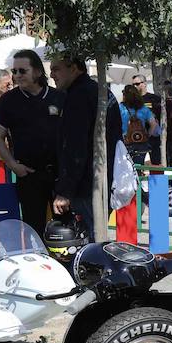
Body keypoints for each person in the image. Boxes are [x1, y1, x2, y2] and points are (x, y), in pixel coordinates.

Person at [50, 51, 121, 235]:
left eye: (56, 69)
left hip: (86, 185)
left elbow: (76, 147)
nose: (52, 75)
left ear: (74, 68)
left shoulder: (79, 96)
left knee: (86, 245)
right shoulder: (100, 91)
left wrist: (65, 191)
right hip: (103, 179)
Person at [0, 49, 64, 226]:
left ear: (38, 72)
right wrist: (13, 165)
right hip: (29, 175)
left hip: (59, 175)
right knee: (33, 228)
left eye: (22, 71)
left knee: (64, 230)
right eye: (14, 71)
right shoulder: (8, 100)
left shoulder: (58, 97)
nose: (17, 75)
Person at [118, 83, 160, 165]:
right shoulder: (143, 108)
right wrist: (148, 134)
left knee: (126, 167)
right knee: (139, 167)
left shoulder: (120, 108)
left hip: (125, 142)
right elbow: (153, 124)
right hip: (141, 142)